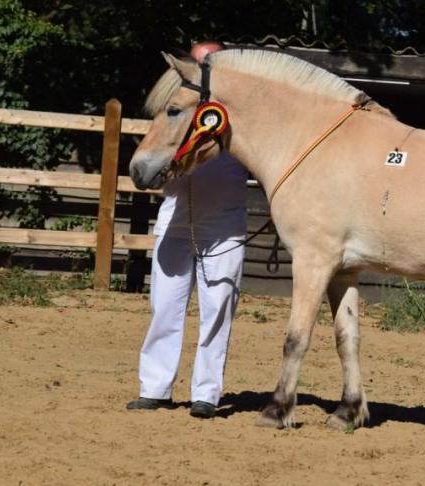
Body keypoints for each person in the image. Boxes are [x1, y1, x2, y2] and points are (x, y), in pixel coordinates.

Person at [127, 41, 248, 419]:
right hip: (177, 217)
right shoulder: (176, 110)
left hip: (224, 223)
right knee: (164, 305)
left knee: (218, 309)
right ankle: (155, 388)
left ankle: (206, 394)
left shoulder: (237, 115)